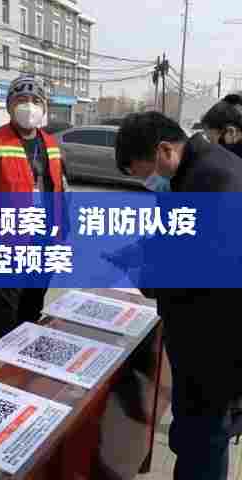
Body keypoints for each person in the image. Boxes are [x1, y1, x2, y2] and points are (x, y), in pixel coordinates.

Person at [115, 111, 242, 480]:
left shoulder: (213, 182)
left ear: (164, 150)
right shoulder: (195, 172)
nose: (146, 183)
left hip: (216, 343)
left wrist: (140, 272)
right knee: (193, 433)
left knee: (203, 438)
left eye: (142, 173)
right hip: (202, 336)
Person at [0, 75, 68, 347]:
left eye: (35, 100)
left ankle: (23, 363)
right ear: (9, 106)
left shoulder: (52, 145)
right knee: (3, 318)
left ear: (44, 107)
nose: (29, 106)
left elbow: (60, 190)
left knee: (32, 310)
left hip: (44, 244)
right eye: (21, 100)